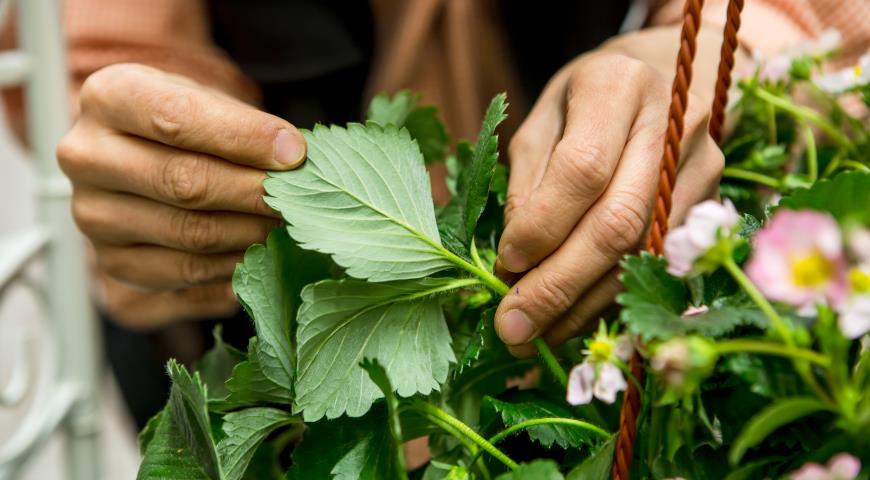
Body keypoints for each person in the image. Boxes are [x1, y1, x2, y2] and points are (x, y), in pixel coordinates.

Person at [17, 0, 866, 426]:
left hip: (659, 354)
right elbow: (99, 46)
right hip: (261, 373)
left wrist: (711, 60)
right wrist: (153, 153)